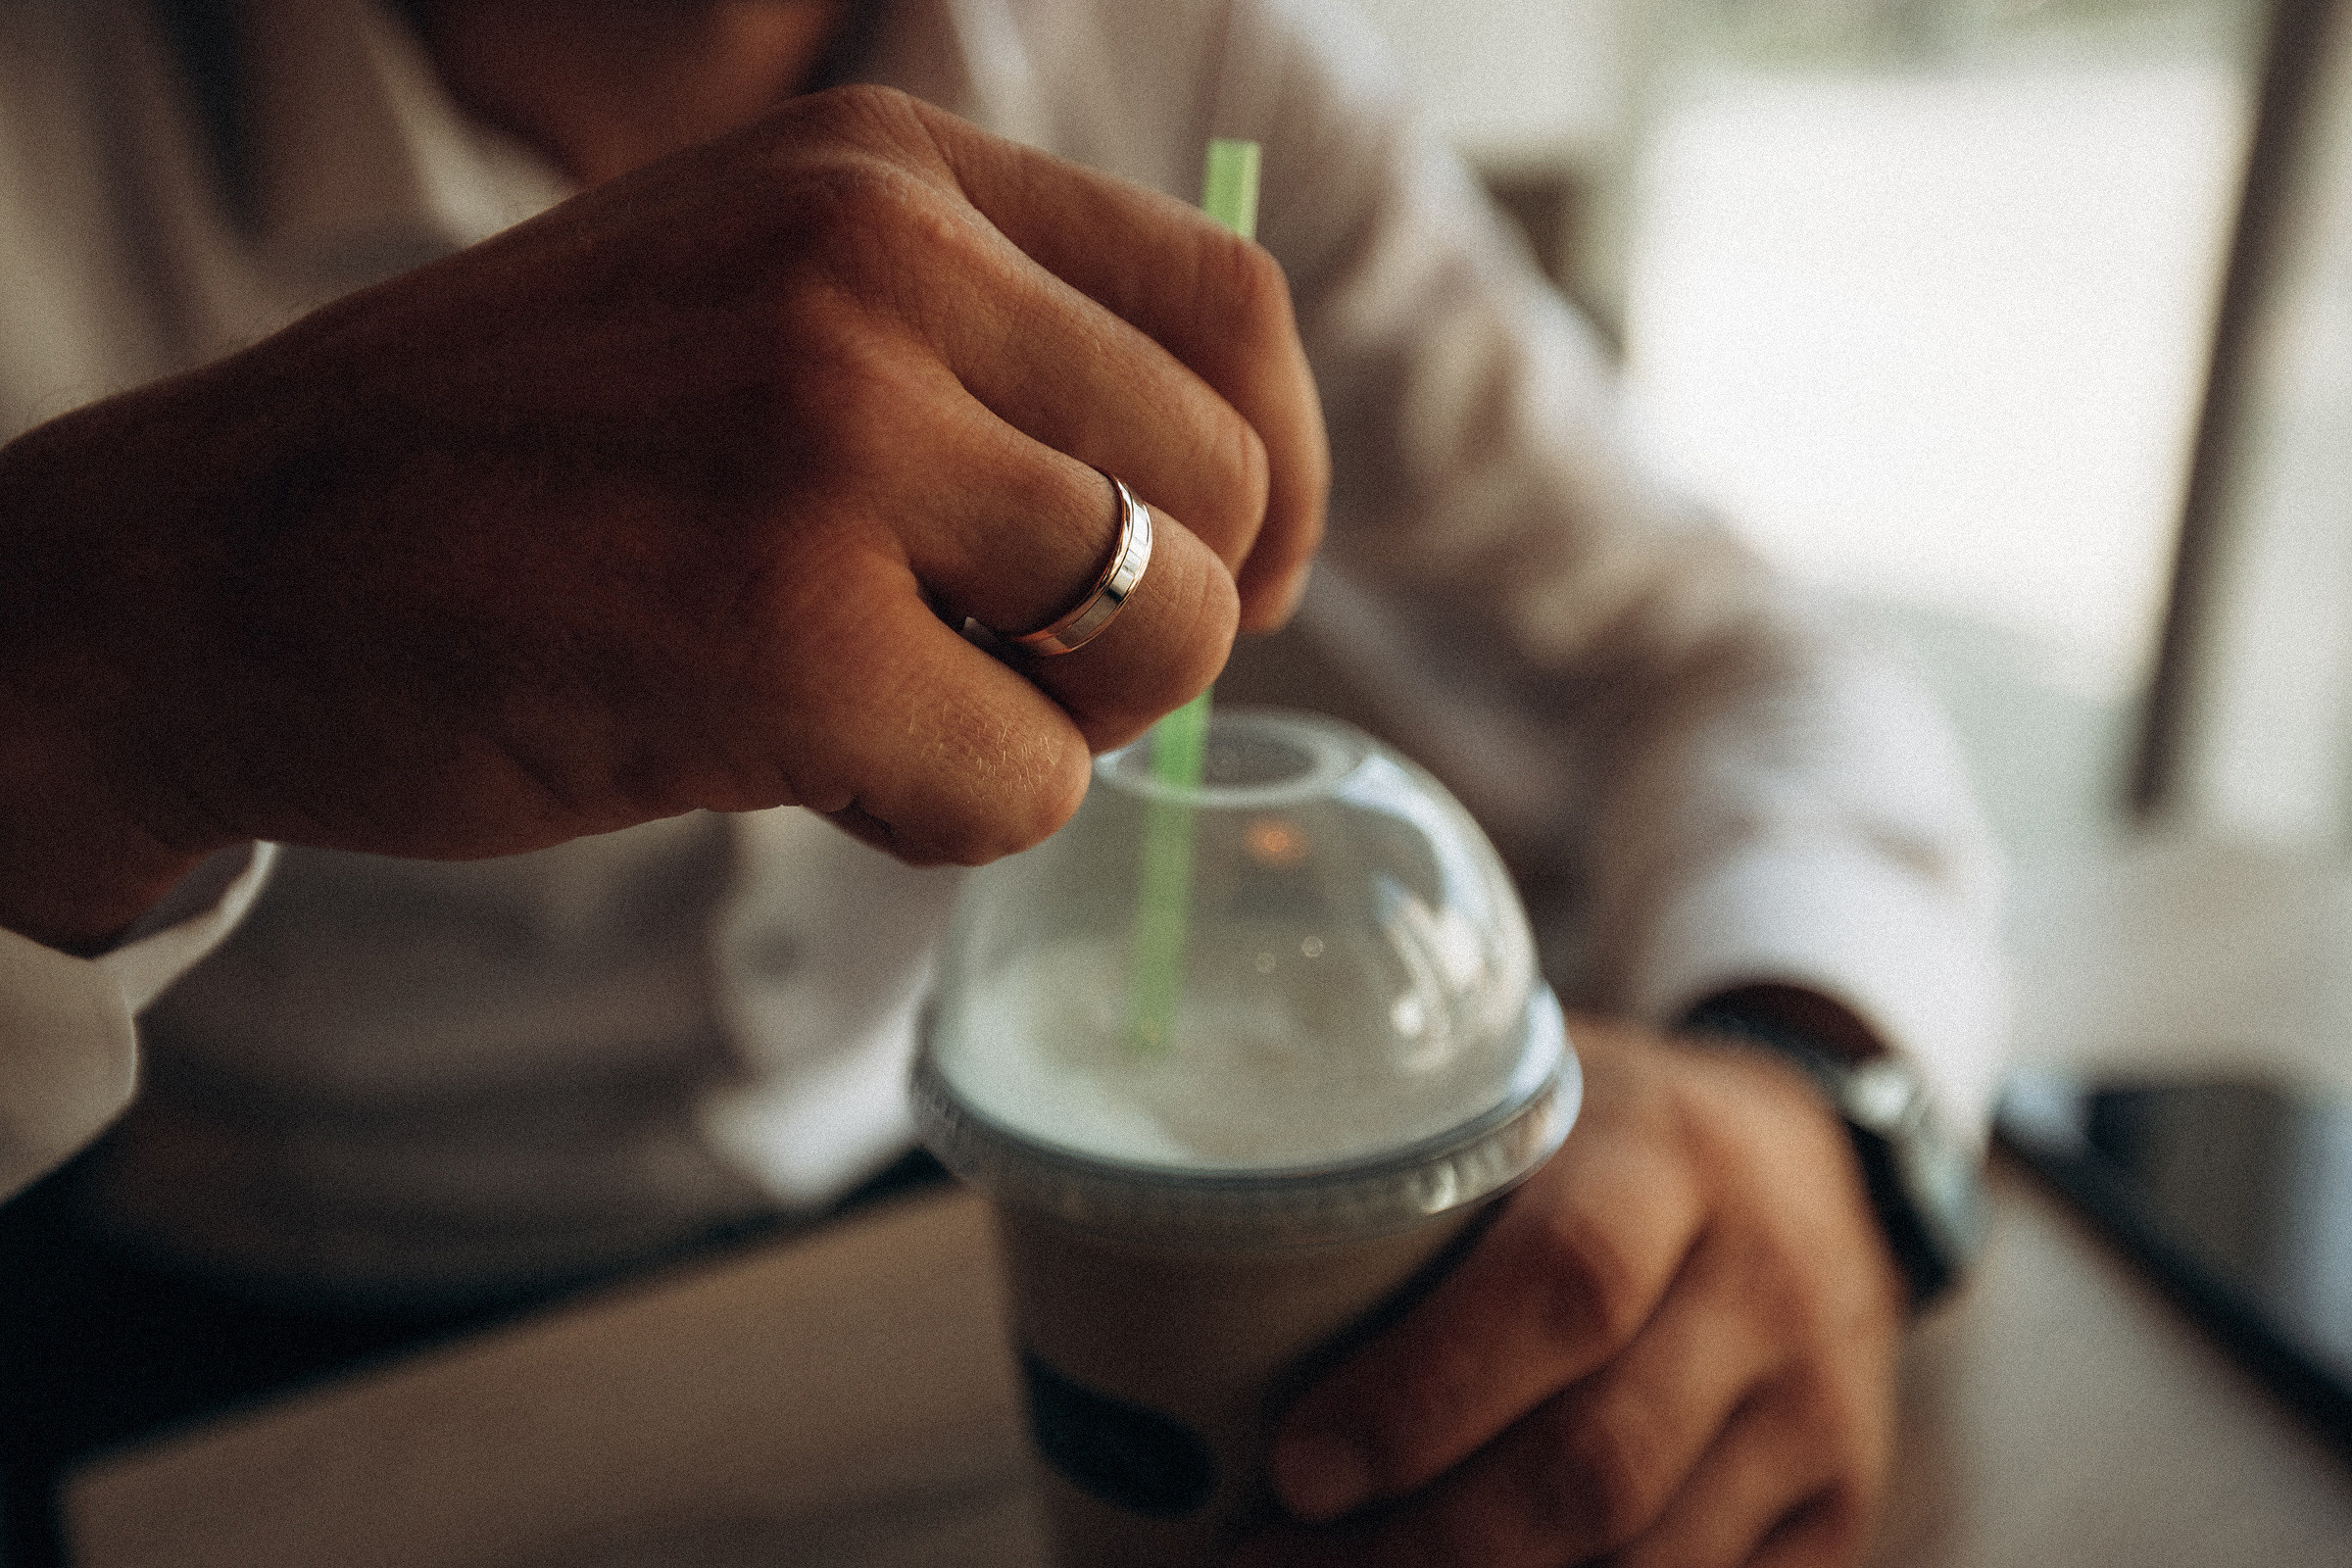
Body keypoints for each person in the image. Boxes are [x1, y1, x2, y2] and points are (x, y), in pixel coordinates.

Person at [0, 1, 2006, 1565]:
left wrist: (1813, 1087)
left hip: (940, 1266)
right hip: (222, 1364)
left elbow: (1714, 650)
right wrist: (114, 623)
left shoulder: (1195, 52)